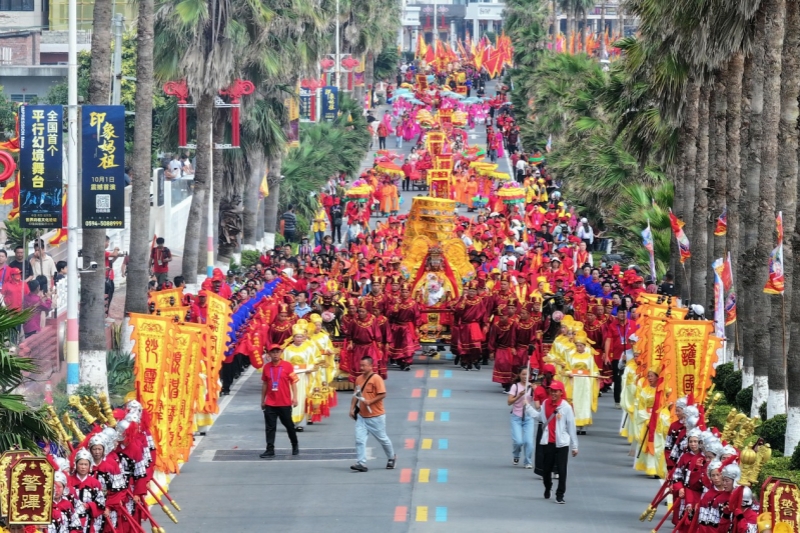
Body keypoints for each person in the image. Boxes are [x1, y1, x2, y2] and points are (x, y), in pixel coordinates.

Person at [349, 355, 396, 472]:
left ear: (371, 366)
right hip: (362, 416)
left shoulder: (377, 379)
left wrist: (370, 401)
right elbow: (357, 393)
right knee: (359, 440)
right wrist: (352, 408)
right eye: (360, 365)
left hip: (376, 416)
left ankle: (391, 457)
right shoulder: (359, 379)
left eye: (364, 365)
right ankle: (361, 463)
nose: (361, 367)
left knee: (383, 439)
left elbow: (383, 394)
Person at [536, 380, 578, 504]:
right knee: (546, 469)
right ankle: (548, 486)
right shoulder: (545, 403)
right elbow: (540, 418)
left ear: (561, 392)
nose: (553, 393)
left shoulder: (566, 407)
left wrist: (575, 446)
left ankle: (560, 494)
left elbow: (571, 427)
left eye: (556, 391)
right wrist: (527, 407)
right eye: (551, 391)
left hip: (562, 443)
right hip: (548, 442)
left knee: (562, 469)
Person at [260, 344, 300, 458]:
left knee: (289, 425)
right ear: (269, 354)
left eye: (277, 352)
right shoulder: (267, 367)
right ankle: (270, 449)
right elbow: (265, 384)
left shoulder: (287, 366)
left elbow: (293, 382)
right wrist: (262, 400)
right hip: (270, 403)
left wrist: (295, 397)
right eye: (273, 352)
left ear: (281, 353)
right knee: (270, 427)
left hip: (284, 402)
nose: (275, 354)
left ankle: (295, 445)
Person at [508, 367, 535, 469]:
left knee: (529, 442)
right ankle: (516, 455)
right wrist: (519, 395)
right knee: (518, 441)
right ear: (519, 375)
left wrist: (537, 391)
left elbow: (537, 403)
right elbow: (509, 402)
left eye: (527, 374)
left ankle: (527, 461)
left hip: (528, 417)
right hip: (516, 417)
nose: (525, 377)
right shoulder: (515, 386)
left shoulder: (531, 387)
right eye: (523, 374)